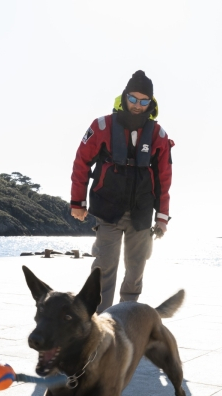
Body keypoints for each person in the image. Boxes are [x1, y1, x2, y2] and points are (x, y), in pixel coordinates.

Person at [70, 70, 174, 313]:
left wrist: (162, 216)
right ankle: (98, 320)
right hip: (107, 209)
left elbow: (164, 178)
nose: (138, 105)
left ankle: (127, 317)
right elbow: (81, 162)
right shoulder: (102, 126)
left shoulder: (158, 135)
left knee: (136, 268)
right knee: (104, 265)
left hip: (142, 212)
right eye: (133, 99)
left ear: (151, 102)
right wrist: (77, 201)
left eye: (144, 101)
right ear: (125, 96)